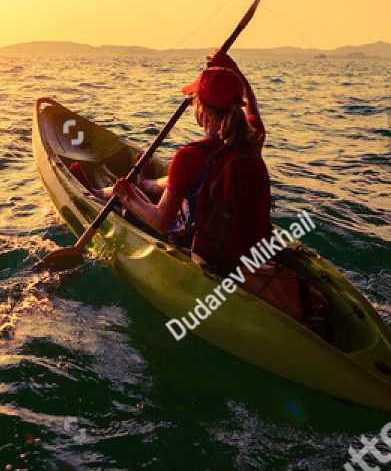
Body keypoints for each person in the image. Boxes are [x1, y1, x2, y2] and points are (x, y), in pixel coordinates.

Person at [108, 53, 329, 332]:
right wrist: (237, 74)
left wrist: (127, 196)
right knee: (164, 195)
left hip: (206, 252)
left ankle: (103, 194)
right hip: (250, 248)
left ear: (202, 109)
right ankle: (139, 184)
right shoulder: (253, 138)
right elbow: (253, 107)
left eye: (193, 101)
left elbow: (161, 221)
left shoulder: (188, 156)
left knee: (126, 207)